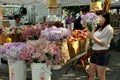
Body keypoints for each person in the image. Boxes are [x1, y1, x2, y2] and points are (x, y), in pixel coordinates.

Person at [88, 11, 114, 80]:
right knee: (90, 74)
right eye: (98, 18)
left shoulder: (109, 29)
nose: (99, 19)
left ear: (106, 19)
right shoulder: (98, 27)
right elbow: (92, 38)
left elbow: (103, 43)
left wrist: (92, 37)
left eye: (102, 18)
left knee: (100, 76)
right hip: (94, 53)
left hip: (102, 54)